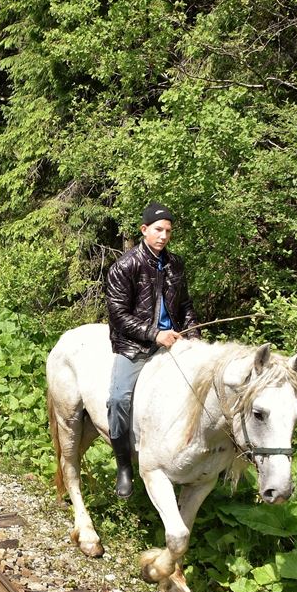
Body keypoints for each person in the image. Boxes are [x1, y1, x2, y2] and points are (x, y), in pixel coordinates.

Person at [104, 202, 201, 497]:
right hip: (133, 345)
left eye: (168, 231)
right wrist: (154, 334)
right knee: (118, 400)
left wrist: (193, 335)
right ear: (144, 230)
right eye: (158, 229)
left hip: (174, 341)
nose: (163, 236)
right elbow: (118, 314)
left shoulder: (176, 265)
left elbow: (185, 306)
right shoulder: (125, 266)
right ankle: (124, 466)